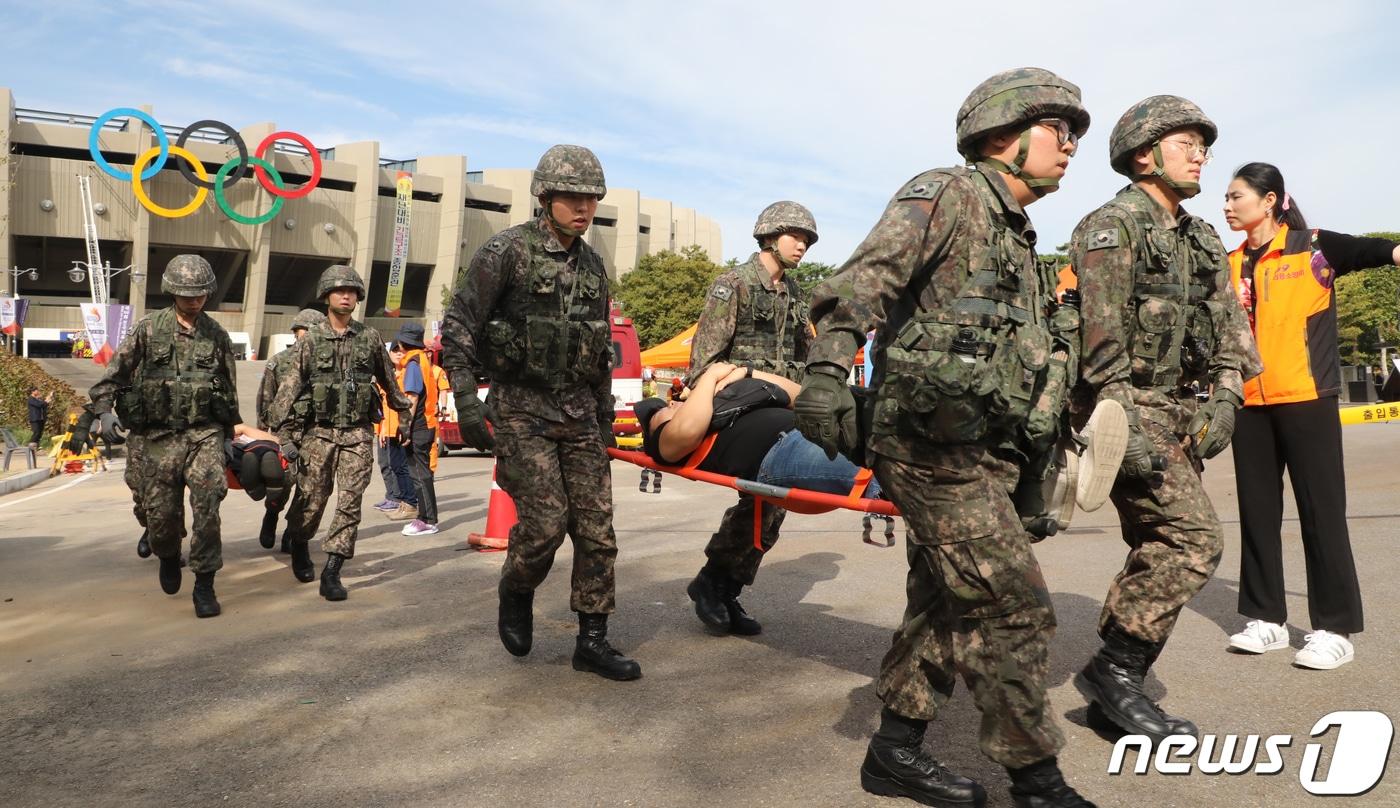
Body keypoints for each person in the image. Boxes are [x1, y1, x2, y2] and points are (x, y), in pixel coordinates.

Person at [794, 68, 1095, 807]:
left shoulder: (1022, 242)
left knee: (943, 603)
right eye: (1061, 131)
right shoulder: (948, 193)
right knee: (1011, 606)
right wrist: (829, 370)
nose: (1071, 147)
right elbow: (864, 280)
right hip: (927, 447)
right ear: (1004, 136)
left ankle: (894, 752)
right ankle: (1037, 781)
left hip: (981, 451)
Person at [1068, 96, 1263, 743]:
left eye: (1203, 144)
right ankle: (1115, 673)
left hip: (1180, 408)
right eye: (1186, 143)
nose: (1201, 152)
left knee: (1160, 542)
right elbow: (1097, 340)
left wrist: (1227, 395)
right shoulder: (1112, 227)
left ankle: (1112, 689)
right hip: (1124, 403)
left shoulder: (1201, 237)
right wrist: (1117, 421)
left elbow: (1230, 323)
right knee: (1192, 540)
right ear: (1144, 155)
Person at [440, 144, 640, 682]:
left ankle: (592, 641)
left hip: (578, 412)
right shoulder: (506, 252)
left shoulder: (595, 265)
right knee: (546, 527)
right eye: (572, 197)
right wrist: (466, 400)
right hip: (521, 411)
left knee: (598, 531)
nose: (583, 207)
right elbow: (458, 330)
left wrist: (603, 416)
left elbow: (599, 348)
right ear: (546, 196)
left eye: (591, 198)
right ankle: (516, 588)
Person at [1221, 162, 1400, 669]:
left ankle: (1334, 628)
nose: (1228, 206)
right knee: (1257, 514)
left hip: (1306, 398)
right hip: (1248, 404)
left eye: (1236, 197)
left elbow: (1378, 250)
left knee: (1321, 515)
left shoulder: (1313, 247)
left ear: (1270, 200)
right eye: (1227, 198)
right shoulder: (1228, 264)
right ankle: (1267, 619)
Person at [684, 200, 818, 636]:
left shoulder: (795, 295)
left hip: (781, 411)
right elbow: (703, 362)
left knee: (775, 504)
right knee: (769, 495)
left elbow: (806, 358)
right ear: (769, 235)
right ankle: (712, 583)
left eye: (807, 239)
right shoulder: (734, 285)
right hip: (740, 409)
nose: (802, 245)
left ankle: (723, 587)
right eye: (795, 236)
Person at [89, 254, 241, 618]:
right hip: (156, 438)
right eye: (187, 293)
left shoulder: (216, 335)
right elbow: (115, 374)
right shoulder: (148, 328)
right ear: (172, 291)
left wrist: (227, 435)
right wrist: (104, 411)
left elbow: (227, 388)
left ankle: (204, 584)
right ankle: (169, 554)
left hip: (202, 435)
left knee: (208, 509)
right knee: (161, 517)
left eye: (200, 293)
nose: (194, 300)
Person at [268, 264, 412, 601]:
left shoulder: (370, 338)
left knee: (350, 502)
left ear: (358, 298)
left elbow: (390, 382)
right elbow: (289, 388)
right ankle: (300, 542)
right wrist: (280, 433)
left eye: (351, 291)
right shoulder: (312, 341)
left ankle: (333, 570)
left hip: (357, 434)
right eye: (339, 290)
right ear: (326, 296)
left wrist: (404, 416)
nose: (346, 295)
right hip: (318, 434)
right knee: (311, 501)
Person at [636, 361, 879, 499]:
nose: (673, 403)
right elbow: (687, 430)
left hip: (815, 430)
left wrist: (748, 372)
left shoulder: (722, 403)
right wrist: (709, 378)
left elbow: (800, 396)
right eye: (663, 411)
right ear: (655, 434)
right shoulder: (667, 444)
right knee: (883, 473)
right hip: (780, 450)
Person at [256, 307, 326, 552]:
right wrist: (264, 437)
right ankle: (271, 515)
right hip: (283, 435)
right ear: (296, 332)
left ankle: (292, 532)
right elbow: (265, 401)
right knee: (282, 484)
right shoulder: (279, 363)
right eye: (304, 332)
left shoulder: (326, 363)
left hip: (315, 435)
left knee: (309, 489)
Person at [394, 322, 441, 537]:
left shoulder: (413, 364)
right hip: (426, 424)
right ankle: (424, 518)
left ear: (403, 343)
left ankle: (427, 520)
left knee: (420, 475)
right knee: (421, 474)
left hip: (418, 426)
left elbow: (411, 397)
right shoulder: (421, 360)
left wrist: (405, 427)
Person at [373, 342, 416, 517]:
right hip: (387, 428)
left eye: (401, 351)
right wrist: (381, 428)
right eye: (395, 351)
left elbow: (411, 400)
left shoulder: (408, 374)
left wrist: (405, 426)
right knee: (388, 465)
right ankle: (395, 497)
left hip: (402, 428)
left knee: (403, 467)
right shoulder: (386, 378)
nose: (399, 354)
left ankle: (404, 500)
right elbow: (381, 407)